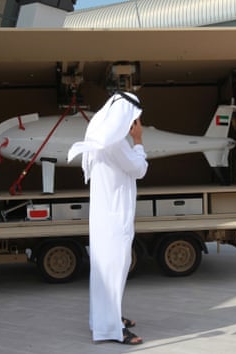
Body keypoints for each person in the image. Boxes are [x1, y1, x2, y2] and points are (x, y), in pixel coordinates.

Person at [68, 91, 148, 345]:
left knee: (107, 272)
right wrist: (139, 141)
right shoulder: (115, 143)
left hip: (106, 217)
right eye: (134, 119)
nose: (135, 124)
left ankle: (106, 319)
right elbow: (139, 169)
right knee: (113, 272)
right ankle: (112, 330)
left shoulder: (101, 136)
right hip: (115, 218)